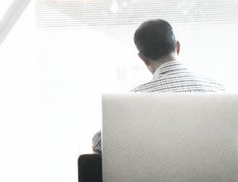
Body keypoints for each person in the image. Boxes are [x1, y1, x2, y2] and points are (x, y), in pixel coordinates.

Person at [91, 18, 224, 152]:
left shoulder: (134, 99)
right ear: (177, 47)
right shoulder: (217, 89)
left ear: (143, 58)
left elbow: (99, 143)